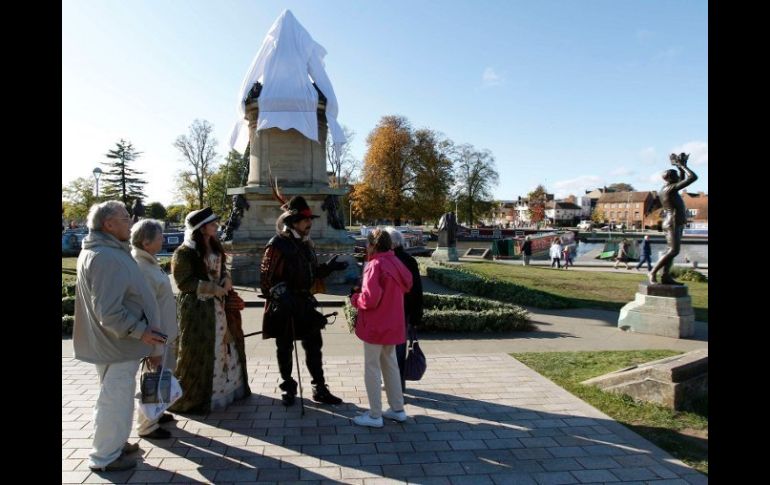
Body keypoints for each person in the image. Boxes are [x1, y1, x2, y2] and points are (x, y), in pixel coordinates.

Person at [73, 201, 166, 472]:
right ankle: (105, 456)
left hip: (116, 343)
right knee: (115, 399)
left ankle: (115, 444)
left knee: (116, 396)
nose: (130, 220)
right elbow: (110, 312)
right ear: (108, 224)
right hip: (118, 344)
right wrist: (142, 331)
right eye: (125, 217)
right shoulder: (105, 256)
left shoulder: (107, 251)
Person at [259, 196, 349, 406]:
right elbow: (266, 278)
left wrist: (327, 268)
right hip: (284, 306)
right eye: (305, 220)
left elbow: (311, 272)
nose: (309, 223)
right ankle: (288, 387)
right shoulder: (277, 244)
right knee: (284, 347)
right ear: (293, 222)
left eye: (310, 220)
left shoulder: (306, 244)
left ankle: (319, 389)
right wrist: (284, 297)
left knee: (314, 345)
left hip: (304, 303)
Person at [169, 207, 251, 414]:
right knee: (204, 348)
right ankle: (200, 396)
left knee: (227, 345)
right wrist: (214, 288)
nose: (216, 226)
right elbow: (184, 282)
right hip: (198, 310)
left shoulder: (215, 246)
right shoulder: (184, 252)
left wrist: (226, 281)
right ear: (202, 228)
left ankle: (225, 390)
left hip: (220, 306)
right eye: (212, 223)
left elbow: (222, 270)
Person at [350, 228, 413, 427]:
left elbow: (369, 299)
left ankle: (375, 415)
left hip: (375, 325)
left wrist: (355, 299)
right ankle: (397, 409)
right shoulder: (396, 262)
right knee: (391, 364)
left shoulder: (374, 264)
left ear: (373, 245)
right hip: (393, 323)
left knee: (372, 367)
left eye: (367, 244)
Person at [130, 219, 179, 439]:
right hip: (156, 338)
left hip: (165, 334)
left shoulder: (149, 262)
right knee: (152, 379)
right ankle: (147, 426)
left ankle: (158, 412)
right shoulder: (142, 267)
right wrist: (156, 349)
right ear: (146, 242)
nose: (163, 239)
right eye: (159, 237)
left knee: (162, 376)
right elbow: (150, 311)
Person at [384, 226, 424, 392]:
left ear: (390, 244)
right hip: (406, 311)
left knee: (390, 351)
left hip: (393, 311)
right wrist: (416, 316)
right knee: (398, 350)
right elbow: (417, 291)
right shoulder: (409, 260)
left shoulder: (387, 261)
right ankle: (398, 384)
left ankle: (395, 386)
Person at [650, 153, 698, 284]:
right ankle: (653, 272)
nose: (679, 177)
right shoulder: (669, 189)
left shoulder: (670, 188)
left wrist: (681, 167)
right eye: (676, 175)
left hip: (676, 222)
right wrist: (682, 166)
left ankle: (665, 276)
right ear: (671, 178)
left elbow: (682, 179)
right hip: (672, 222)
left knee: (671, 251)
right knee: (673, 250)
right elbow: (693, 177)